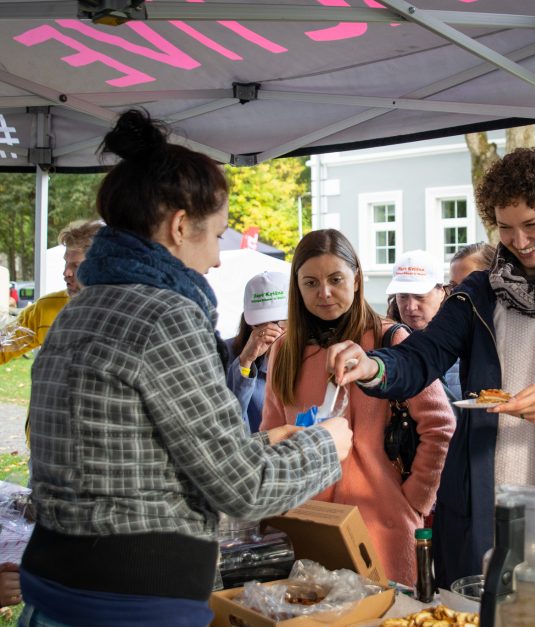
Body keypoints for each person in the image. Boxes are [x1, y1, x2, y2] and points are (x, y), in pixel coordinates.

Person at [20, 109, 352, 627]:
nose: (217, 259)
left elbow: (133, 456)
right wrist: (325, 445)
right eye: (217, 236)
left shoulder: (81, 308)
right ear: (179, 226)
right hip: (132, 599)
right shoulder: (165, 315)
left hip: (58, 583)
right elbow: (243, 489)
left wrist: (263, 444)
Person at [327, 146, 535, 588]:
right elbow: (422, 357)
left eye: (532, 225)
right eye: (505, 228)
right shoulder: (478, 292)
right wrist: (372, 367)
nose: (519, 241)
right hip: (482, 503)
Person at [260, 229, 455, 586]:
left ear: (356, 278)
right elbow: (271, 433)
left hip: (381, 523)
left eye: (336, 279)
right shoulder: (284, 349)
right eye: (311, 283)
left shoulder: (390, 339)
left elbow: (440, 425)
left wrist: (415, 498)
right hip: (307, 523)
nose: (325, 293)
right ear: (297, 288)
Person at [0, 219, 102, 365]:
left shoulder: (127, 308)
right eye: (66, 262)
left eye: (76, 266)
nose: (66, 272)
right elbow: (4, 346)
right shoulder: (46, 308)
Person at [385, 249, 460, 401]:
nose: (411, 306)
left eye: (420, 296)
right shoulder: (385, 340)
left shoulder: (466, 337)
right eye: (403, 296)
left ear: (442, 292)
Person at [225, 271, 289, 433]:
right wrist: (245, 361)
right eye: (259, 323)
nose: (270, 330)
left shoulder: (312, 353)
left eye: (278, 322)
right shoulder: (225, 352)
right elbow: (227, 422)